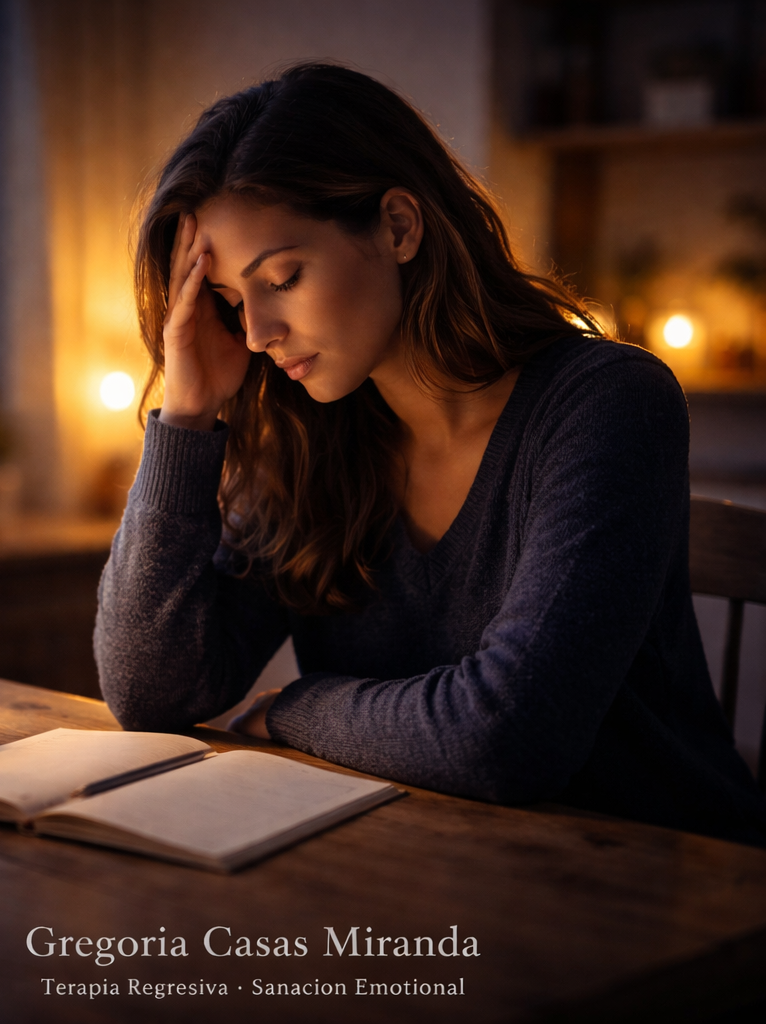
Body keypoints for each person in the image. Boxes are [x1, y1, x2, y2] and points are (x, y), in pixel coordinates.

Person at [94, 63, 766, 847]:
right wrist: (187, 415)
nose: (255, 334)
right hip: (427, 866)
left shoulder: (608, 401)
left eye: (283, 277)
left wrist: (295, 706)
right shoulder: (311, 436)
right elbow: (149, 692)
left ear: (399, 227)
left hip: (663, 886)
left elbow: (509, 738)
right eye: (234, 302)